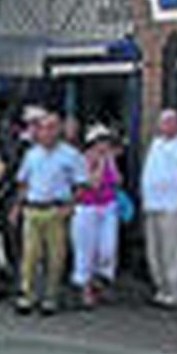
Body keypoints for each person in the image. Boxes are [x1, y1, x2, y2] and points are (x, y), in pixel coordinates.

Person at [11, 111, 86, 315]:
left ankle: (50, 297)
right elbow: (23, 183)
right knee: (30, 255)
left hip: (56, 209)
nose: (47, 132)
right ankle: (27, 295)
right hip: (33, 209)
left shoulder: (71, 155)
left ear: (59, 130)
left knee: (56, 257)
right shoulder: (31, 154)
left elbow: (80, 185)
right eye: (44, 128)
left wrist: (70, 206)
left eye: (52, 127)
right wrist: (16, 208)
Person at [140, 109, 177, 308]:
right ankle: (161, 290)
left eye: (170, 122)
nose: (166, 126)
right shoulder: (156, 144)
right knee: (154, 251)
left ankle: (176, 294)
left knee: (172, 252)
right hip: (152, 205)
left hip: (172, 206)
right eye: (163, 122)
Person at [70, 124, 121, 309]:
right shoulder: (83, 159)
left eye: (106, 141)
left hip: (107, 207)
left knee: (107, 248)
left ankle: (100, 281)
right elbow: (93, 183)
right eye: (101, 141)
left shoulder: (109, 159)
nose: (105, 145)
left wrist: (110, 162)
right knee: (86, 250)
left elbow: (117, 181)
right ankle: (85, 290)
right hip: (87, 208)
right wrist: (99, 162)